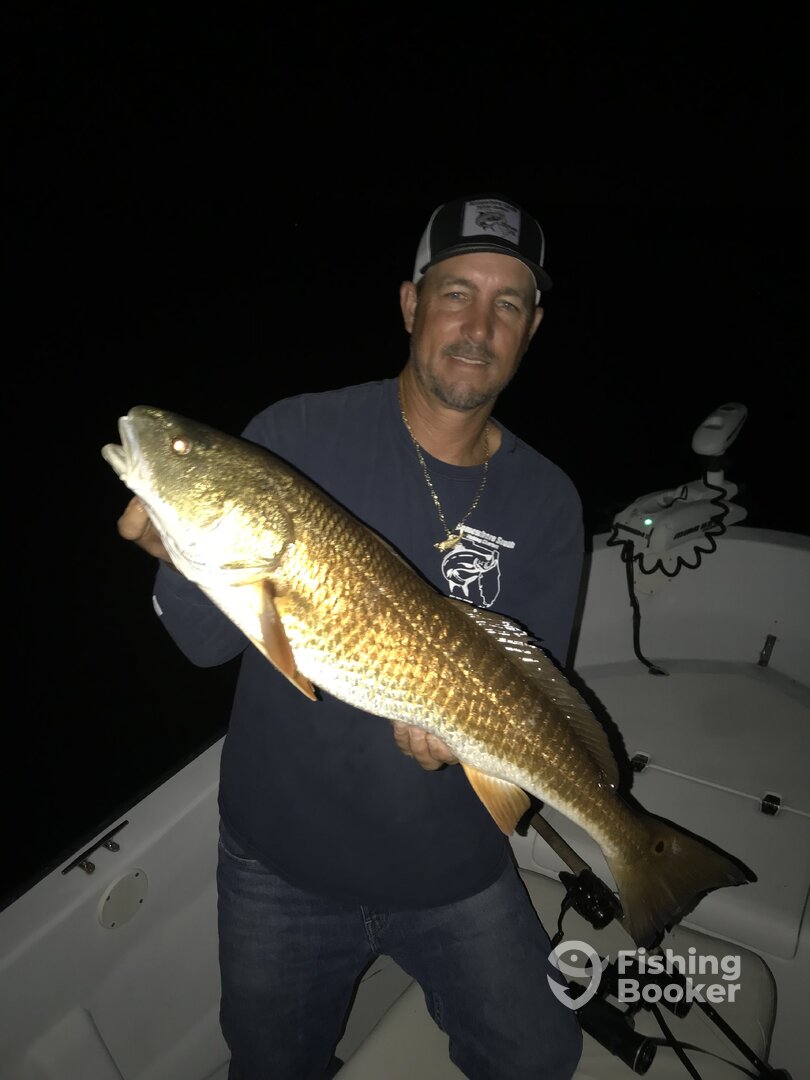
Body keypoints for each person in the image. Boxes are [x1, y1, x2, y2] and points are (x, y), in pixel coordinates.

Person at [117, 192, 585, 1079]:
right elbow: (206, 645)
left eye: (508, 304)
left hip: (454, 867)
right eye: (456, 293)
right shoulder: (295, 435)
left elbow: (533, 686)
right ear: (411, 303)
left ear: (531, 329)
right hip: (278, 864)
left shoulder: (549, 502)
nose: (478, 326)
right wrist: (178, 558)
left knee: (539, 1057)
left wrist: (464, 745)